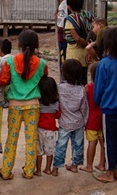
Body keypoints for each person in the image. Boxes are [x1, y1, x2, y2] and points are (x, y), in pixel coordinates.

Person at [0, 29, 48, 180]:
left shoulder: (9, 62)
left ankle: (6, 171)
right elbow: (44, 78)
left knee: (11, 138)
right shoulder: (42, 64)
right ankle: (29, 171)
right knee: (31, 139)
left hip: (14, 105)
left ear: (19, 44)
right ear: (36, 45)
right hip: (33, 105)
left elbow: (3, 81)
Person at [52, 59, 89, 176]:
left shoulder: (59, 88)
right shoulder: (81, 89)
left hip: (64, 122)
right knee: (78, 145)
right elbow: (84, 108)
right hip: (78, 122)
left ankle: (56, 168)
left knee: (61, 145)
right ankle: (74, 166)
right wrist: (85, 120)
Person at [94, 27, 117, 182]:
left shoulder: (104, 64)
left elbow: (99, 89)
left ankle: (110, 172)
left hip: (109, 108)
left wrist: (97, 101)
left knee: (110, 140)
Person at [64, 0, 94, 85]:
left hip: (74, 55)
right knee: (83, 79)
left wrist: (86, 43)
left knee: (72, 81)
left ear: (68, 6)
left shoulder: (71, 19)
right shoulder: (88, 15)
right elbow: (93, 31)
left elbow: (77, 38)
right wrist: (90, 45)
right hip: (85, 54)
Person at [80, 62, 106, 173]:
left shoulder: (88, 88)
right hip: (103, 119)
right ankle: (102, 164)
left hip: (91, 120)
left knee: (92, 142)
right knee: (103, 143)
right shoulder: (105, 87)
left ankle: (89, 166)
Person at [35, 76, 60, 176]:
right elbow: (58, 115)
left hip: (38, 129)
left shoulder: (38, 103)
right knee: (50, 152)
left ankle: (38, 170)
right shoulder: (56, 104)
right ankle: (48, 169)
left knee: (39, 152)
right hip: (51, 130)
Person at [53, 0, 69, 71]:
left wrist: (56, 18)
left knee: (63, 62)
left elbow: (61, 25)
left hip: (63, 38)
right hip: (67, 38)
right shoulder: (68, 2)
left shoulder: (63, 5)